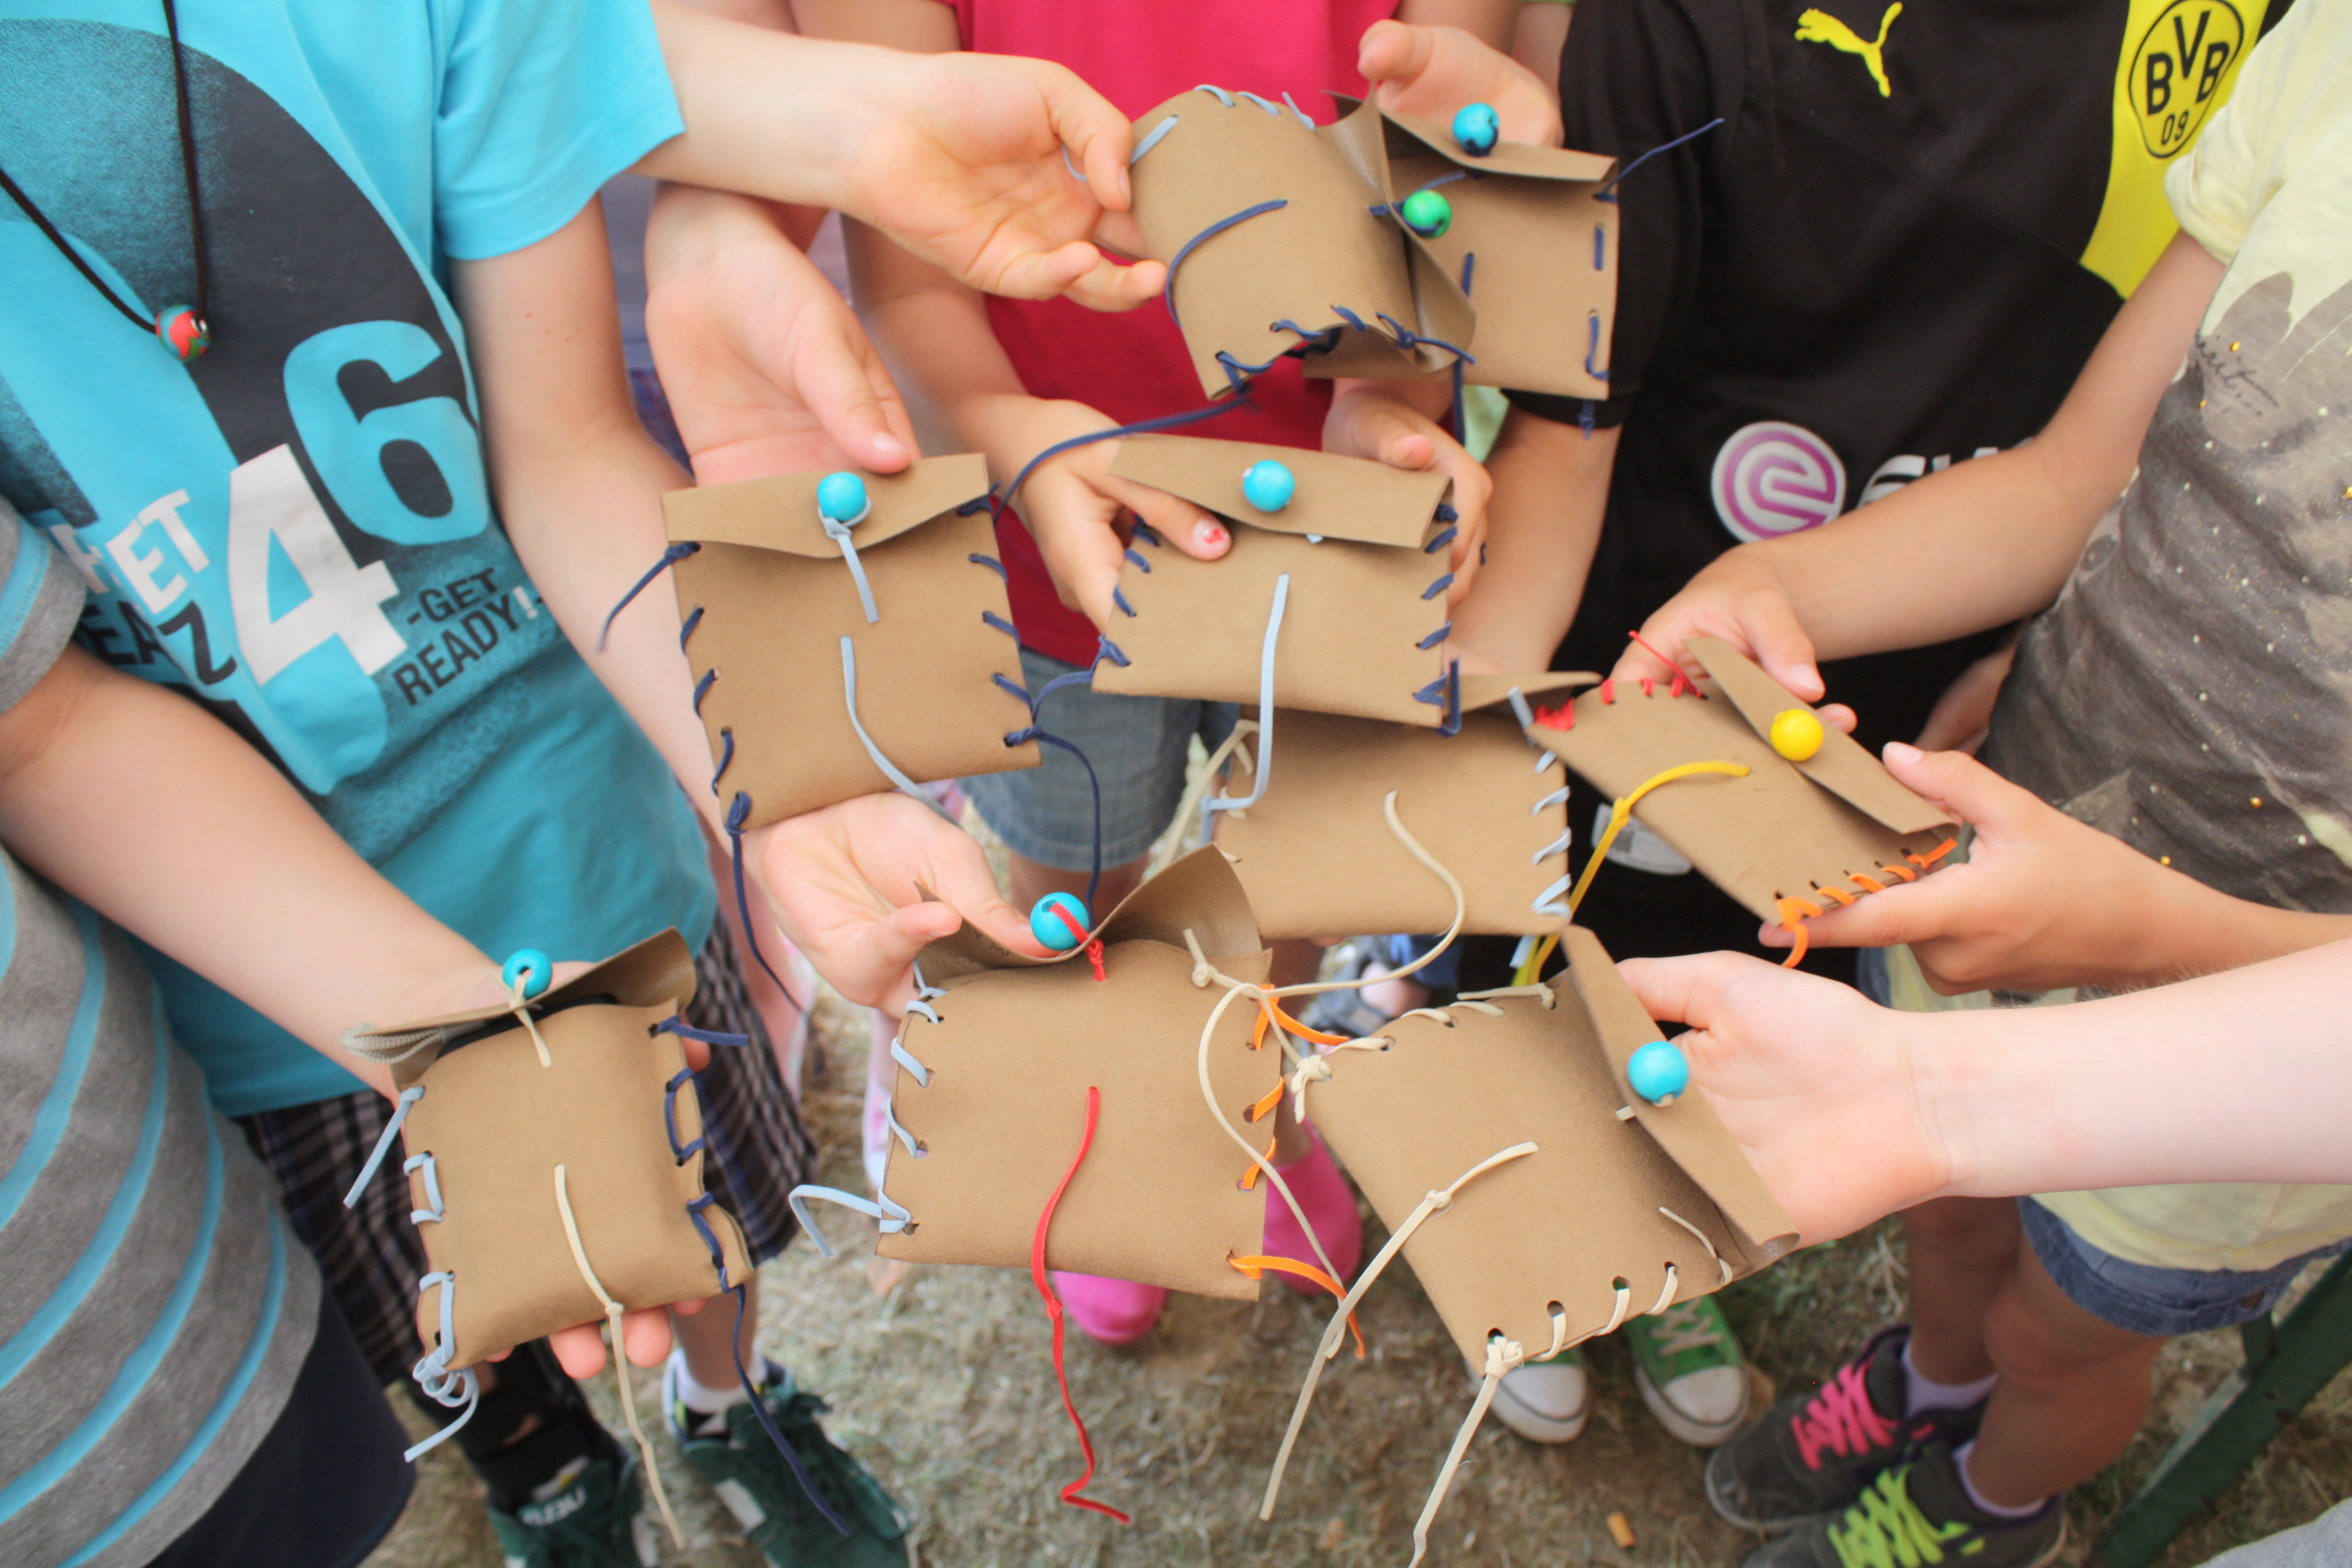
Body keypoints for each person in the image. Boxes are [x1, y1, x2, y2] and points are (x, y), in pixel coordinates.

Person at [0, 2, 1153, 1560]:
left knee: (706, 1223)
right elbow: (40, 725)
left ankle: (733, 1406)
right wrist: (449, 1035)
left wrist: (778, 782)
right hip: (260, 993)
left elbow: (565, 442)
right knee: (460, 1305)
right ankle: (544, 1471)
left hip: (601, 846)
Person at [1423, 0, 2289, 1457]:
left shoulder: (2253, 40)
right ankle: (1520, 1212)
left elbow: (2109, 446)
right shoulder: (1677, 31)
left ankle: (1656, 1232)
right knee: (1566, 941)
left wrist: (2022, 641)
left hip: (1900, 676)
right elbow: (1570, 428)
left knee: (1761, 988)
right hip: (1642, 625)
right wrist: (1475, 693)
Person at [1612, 2, 2352, 1558]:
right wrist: (1776, 584)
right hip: (2012, 824)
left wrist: (2140, 928)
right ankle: (1929, 1379)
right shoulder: (2329, 54)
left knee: (2061, 1336)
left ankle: (1994, 1497)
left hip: (2243, 1066)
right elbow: (2082, 470)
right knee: (1946, 1225)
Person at [789, 0, 1511, 1364]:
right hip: (1037, 550)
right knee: (1081, 868)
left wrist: (1386, 405)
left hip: (1322, 539)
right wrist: (1012, 435)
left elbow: (1434, 198)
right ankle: (1104, 1115)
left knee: (1286, 871)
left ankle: (1250, 1096)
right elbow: (907, 279)